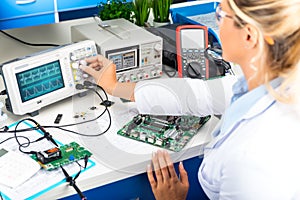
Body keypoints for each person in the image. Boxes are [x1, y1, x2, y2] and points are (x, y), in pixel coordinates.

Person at [80, 0, 300, 198]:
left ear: (249, 35)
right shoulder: (268, 82)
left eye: (221, 14)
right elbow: (195, 94)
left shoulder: (251, 164)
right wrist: (113, 86)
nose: (216, 23)